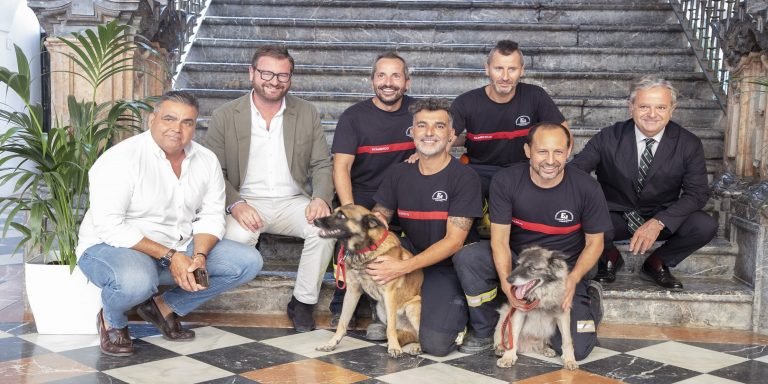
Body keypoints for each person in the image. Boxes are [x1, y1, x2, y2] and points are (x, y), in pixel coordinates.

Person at [77, 91, 263, 357]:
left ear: (194, 127)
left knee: (246, 262)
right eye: (169, 119)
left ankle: (163, 308)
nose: (177, 129)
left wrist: (198, 256)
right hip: (113, 248)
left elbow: (212, 215)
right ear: (152, 120)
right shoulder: (121, 159)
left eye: (187, 122)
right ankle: (113, 320)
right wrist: (171, 256)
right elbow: (110, 226)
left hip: (177, 245)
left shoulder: (206, 160)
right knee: (136, 280)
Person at [452, 122, 611, 359]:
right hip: (522, 262)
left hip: (563, 272)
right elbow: (500, 241)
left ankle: (590, 299)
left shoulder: (587, 187)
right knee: (469, 257)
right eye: (542, 151)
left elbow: (595, 243)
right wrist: (508, 285)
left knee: (578, 350)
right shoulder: (506, 181)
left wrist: (574, 279)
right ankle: (485, 328)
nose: (550, 160)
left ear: (568, 152)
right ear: (528, 151)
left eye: (558, 152)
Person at [204, 45, 334, 332]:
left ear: (290, 78)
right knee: (235, 240)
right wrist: (236, 204)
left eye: (282, 75)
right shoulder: (226, 115)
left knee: (325, 230)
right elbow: (212, 172)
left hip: (293, 201)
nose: (274, 81)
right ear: (251, 73)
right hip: (247, 200)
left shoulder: (306, 112)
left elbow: (322, 164)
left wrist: (321, 197)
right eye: (266, 73)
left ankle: (303, 302)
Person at [570, 75, 717, 290]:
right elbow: (575, 172)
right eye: (644, 106)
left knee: (705, 225)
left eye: (660, 107)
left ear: (672, 109)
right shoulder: (608, 137)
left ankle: (657, 262)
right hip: (614, 217)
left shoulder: (688, 143)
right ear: (631, 107)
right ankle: (609, 257)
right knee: (573, 216)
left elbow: (697, 194)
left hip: (662, 215)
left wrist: (659, 222)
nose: (652, 114)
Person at [368, 98, 483, 357]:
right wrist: (374, 231)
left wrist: (403, 266)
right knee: (374, 247)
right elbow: (379, 217)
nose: (429, 133)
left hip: (446, 267)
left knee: (436, 346)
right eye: (422, 125)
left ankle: (464, 317)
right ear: (413, 132)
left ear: (451, 135)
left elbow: (454, 242)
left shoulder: (465, 178)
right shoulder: (399, 173)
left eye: (439, 126)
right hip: (411, 258)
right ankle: (386, 311)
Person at [329, 52, 416, 339]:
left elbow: (448, 133)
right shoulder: (354, 117)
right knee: (346, 229)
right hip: (361, 195)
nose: (388, 83)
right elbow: (341, 166)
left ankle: (401, 297)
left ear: (407, 82)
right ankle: (343, 302)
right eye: (381, 75)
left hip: (403, 195)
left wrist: (423, 151)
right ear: (371, 81)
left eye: (395, 76)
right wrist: (353, 211)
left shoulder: (418, 114)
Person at [451, 39, 568, 197]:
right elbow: (445, 140)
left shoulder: (535, 96)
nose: (505, 77)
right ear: (487, 69)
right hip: (479, 172)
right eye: (499, 68)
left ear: (522, 70)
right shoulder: (466, 102)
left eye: (512, 69)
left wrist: (550, 168)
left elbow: (564, 136)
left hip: (523, 171)